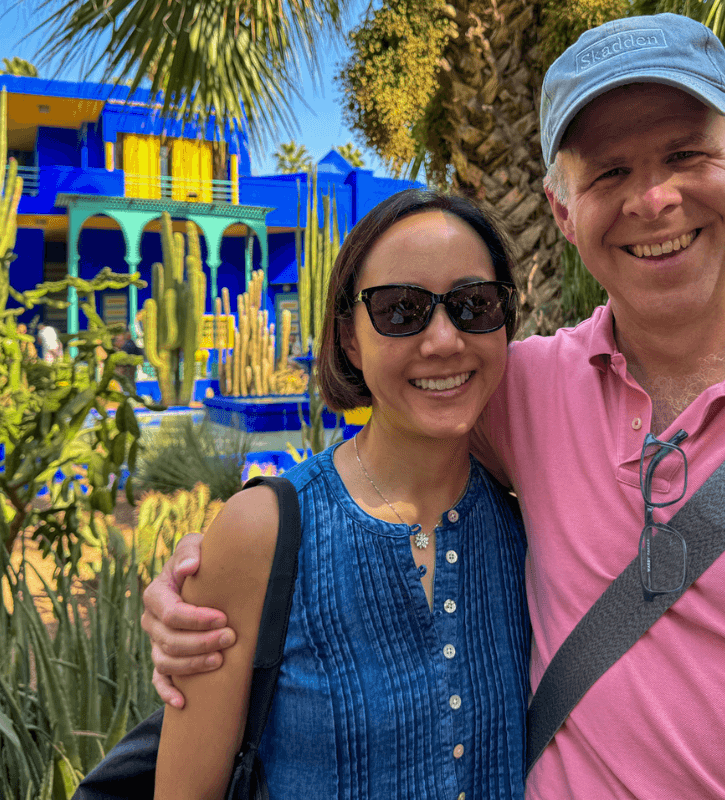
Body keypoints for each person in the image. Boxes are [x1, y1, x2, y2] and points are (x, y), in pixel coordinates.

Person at [143, 14, 725, 799]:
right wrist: (210, 573)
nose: (653, 199)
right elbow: (378, 459)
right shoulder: (516, 388)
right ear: (563, 207)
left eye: (685, 154)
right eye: (611, 172)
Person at [154, 189, 531, 799]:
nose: (443, 340)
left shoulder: (531, 525)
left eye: (473, 305)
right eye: (401, 310)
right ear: (350, 339)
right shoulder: (263, 532)